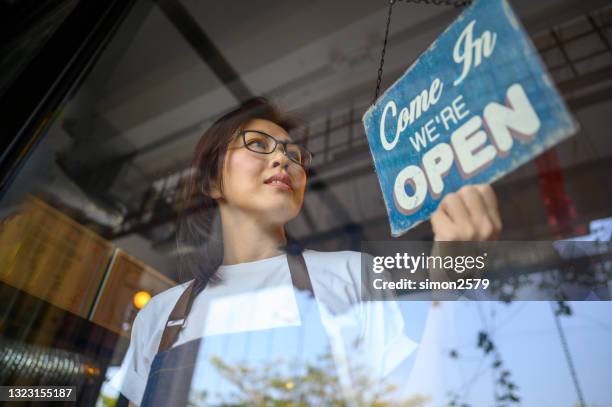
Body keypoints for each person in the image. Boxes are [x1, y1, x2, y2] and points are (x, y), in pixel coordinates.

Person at [116, 97, 502, 406]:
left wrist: (449, 291)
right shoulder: (159, 316)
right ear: (213, 180)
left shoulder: (352, 274)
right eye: (259, 145)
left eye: (294, 154)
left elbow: (416, 400)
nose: (283, 158)